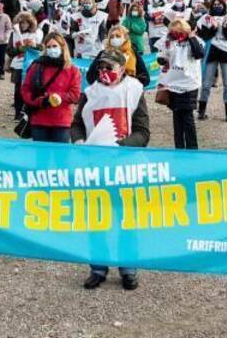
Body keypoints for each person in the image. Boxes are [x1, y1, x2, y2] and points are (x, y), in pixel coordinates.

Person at [70, 48, 149, 290]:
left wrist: (121, 146)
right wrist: (79, 140)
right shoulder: (90, 93)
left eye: (109, 68)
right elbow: (76, 124)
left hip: (125, 166)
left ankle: (128, 268)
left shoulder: (134, 90)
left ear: (122, 69)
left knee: (127, 219)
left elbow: (143, 132)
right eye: (101, 68)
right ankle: (98, 267)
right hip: (96, 166)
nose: (104, 72)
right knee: (97, 218)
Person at [21, 32, 82, 142]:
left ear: (62, 47)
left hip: (62, 122)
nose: (51, 49)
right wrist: (40, 101)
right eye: (48, 47)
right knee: (40, 158)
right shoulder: (36, 66)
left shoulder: (73, 70)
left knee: (60, 158)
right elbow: (25, 90)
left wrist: (56, 98)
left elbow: (75, 95)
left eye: (54, 46)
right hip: (39, 120)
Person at [157, 18, 205, 149]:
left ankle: (192, 148)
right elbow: (162, 57)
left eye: (178, 31)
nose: (176, 34)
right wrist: (162, 59)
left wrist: (191, 37)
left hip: (189, 83)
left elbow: (200, 54)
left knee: (187, 117)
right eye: (173, 32)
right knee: (176, 116)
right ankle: (179, 147)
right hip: (174, 83)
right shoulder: (169, 41)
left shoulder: (195, 41)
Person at [195, 0, 227, 122]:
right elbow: (202, 35)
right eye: (215, 4)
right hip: (211, 50)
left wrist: (225, 26)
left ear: (224, 5)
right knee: (206, 83)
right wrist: (212, 28)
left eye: (220, 4)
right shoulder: (205, 18)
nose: (217, 6)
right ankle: (201, 110)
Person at [10, 12, 43, 121]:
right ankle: (18, 112)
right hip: (18, 65)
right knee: (18, 90)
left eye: (25, 23)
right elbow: (9, 51)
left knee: (32, 88)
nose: (23, 25)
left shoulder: (36, 34)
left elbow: (42, 48)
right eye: (21, 23)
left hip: (31, 65)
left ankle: (30, 111)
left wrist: (35, 46)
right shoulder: (13, 34)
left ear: (30, 23)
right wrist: (20, 49)